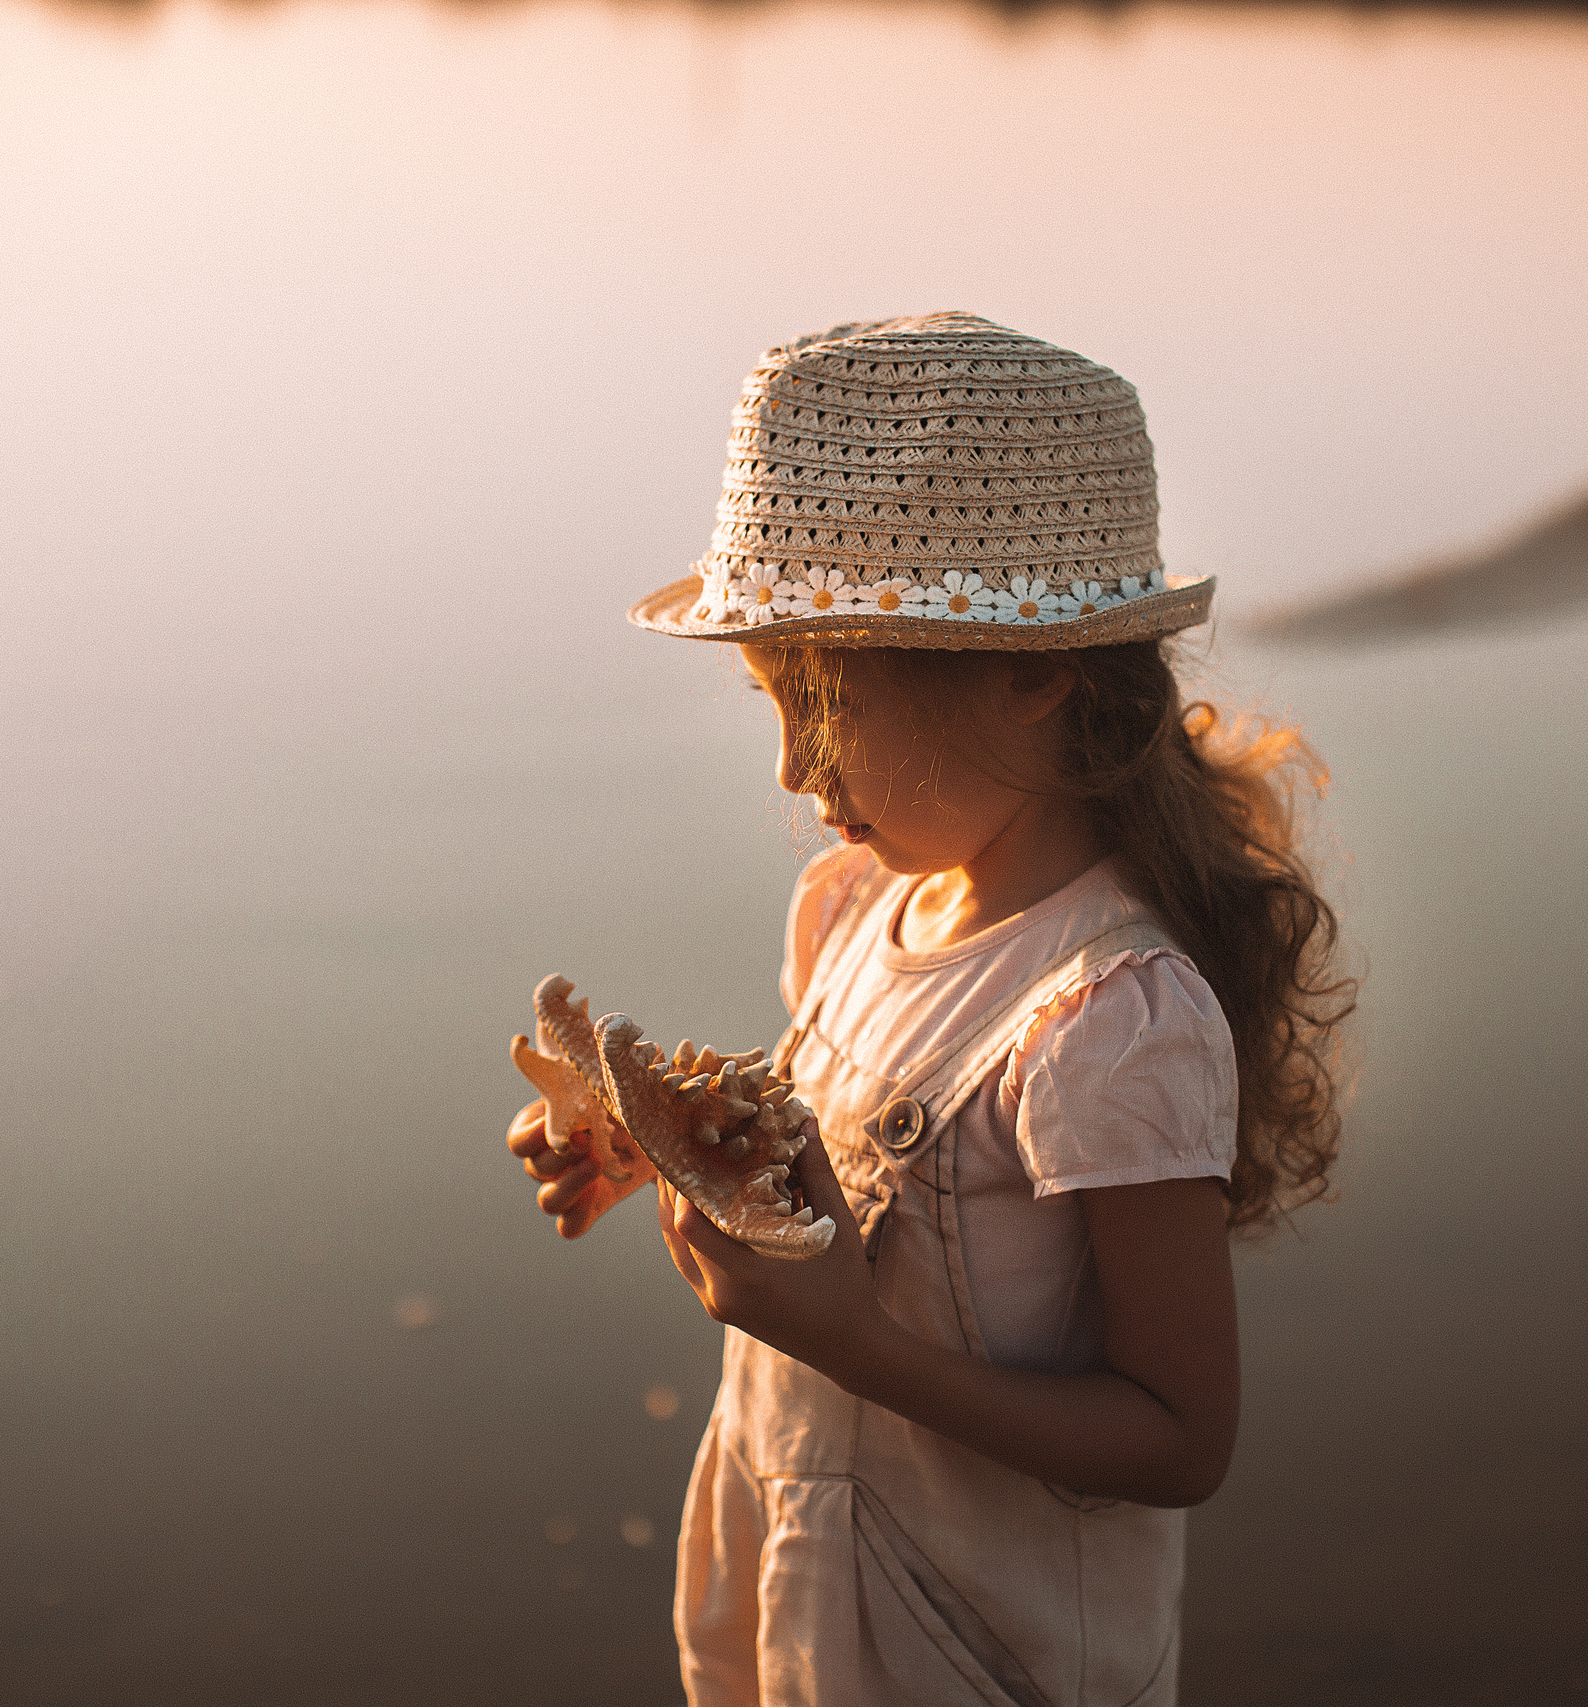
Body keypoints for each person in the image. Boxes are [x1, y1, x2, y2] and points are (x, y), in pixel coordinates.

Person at [504, 313, 1351, 1707]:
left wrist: (854, 1344)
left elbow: (1183, 1439)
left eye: (827, 706)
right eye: (769, 700)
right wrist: (659, 1153)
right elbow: (833, 1169)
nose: (790, 770)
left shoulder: (1111, 1019)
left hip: (983, 1649)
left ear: (1032, 675)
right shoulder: (847, 909)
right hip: (802, 1579)